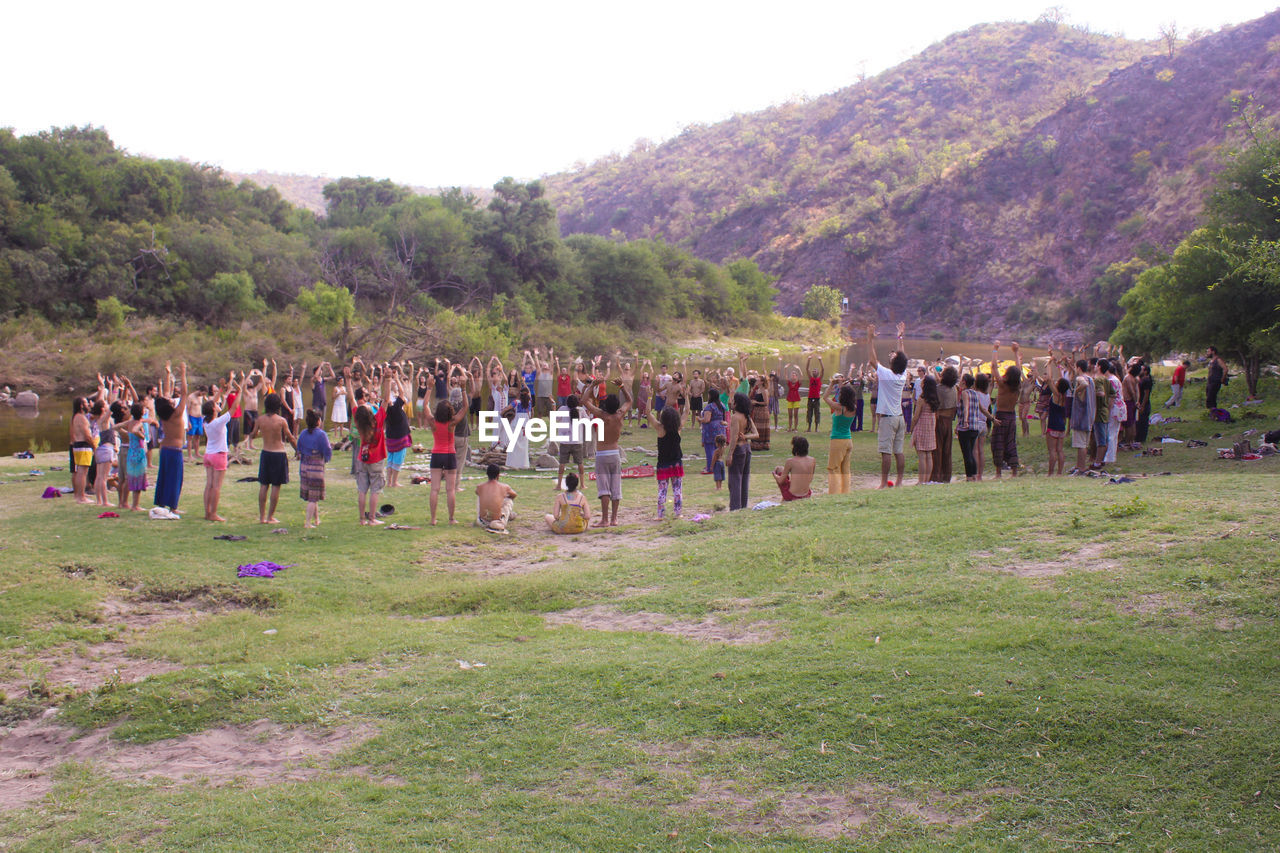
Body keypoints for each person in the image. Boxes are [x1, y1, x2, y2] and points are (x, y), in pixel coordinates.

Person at [580, 362, 632, 527]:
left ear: (604, 405)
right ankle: (614, 519)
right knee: (615, 487)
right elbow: (630, 401)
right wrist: (622, 387)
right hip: (615, 454)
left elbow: (584, 400)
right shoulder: (619, 415)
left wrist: (594, 384)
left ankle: (604, 519)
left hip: (602, 455)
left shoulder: (601, 415)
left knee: (604, 488)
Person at [347, 366, 391, 525]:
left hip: (362, 458)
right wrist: (387, 379)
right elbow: (386, 400)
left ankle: (361, 519)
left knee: (362, 489)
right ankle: (372, 518)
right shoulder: (378, 419)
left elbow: (352, 399)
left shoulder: (358, 422)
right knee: (375, 490)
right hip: (376, 459)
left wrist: (348, 380)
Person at [867, 323, 908, 489]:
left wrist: (870, 339)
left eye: (893, 357)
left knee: (886, 452)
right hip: (899, 418)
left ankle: (883, 483)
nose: (891, 356)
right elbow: (902, 356)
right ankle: (899, 482)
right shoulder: (903, 374)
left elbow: (872, 360)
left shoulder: (886, 374)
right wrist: (900, 337)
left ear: (894, 363)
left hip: (887, 419)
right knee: (899, 451)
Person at [423, 385, 468, 526]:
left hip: (436, 454)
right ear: (449, 411)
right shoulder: (452, 423)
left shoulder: (433, 422)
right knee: (450, 489)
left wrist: (429, 388)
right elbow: (465, 407)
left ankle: (433, 519)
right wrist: (464, 389)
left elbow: (424, 405)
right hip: (449, 455)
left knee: (434, 489)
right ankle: (451, 518)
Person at [248, 392, 296, 524]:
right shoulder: (281, 421)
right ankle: (270, 516)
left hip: (266, 453)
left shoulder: (260, 420)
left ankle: (262, 517)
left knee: (264, 484)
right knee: (276, 485)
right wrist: (298, 450)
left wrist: (256, 433)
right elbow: (290, 438)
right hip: (278, 454)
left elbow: (252, 435)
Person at [153, 363, 189, 516]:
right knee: (175, 479)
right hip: (174, 450)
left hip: (165, 449)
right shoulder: (176, 414)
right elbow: (185, 394)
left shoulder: (163, 414)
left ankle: (161, 502)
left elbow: (166, 394)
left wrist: (168, 375)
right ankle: (173, 507)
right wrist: (183, 374)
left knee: (164, 475)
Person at [202, 377, 237, 521]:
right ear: (213, 410)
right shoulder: (218, 422)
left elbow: (212, 403)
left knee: (209, 485)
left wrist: (222, 389)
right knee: (216, 487)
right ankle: (214, 514)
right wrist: (239, 392)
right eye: (216, 405)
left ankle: (207, 512)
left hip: (208, 455)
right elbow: (233, 409)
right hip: (219, 455)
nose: (218, 404)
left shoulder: (206, 421)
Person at [989, 341, 1022, 478]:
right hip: (1011, 417)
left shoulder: (1002, 385)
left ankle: (998, 473)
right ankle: (1014, 472)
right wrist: (1015, 352)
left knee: (998, 444)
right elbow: (1018, 370)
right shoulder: (1017, 387)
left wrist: (995, 349)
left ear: (1007, 376)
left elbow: (994, 366)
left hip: (1001, 417)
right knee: (1010, 444)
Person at [297, 408, 332, 529]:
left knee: (313, 494)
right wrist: (326, 459)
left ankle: (317, 519)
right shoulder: (321, 435)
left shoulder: (302, 433)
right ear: (318, 421)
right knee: (313, 497)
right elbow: (327, 450)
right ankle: (307, 523)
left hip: (304, 466)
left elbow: (299, 448)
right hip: (316, 467)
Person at [650, 405, 684, 520]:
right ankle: (678, 513)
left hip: (663, 465)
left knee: (662, 491)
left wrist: (649, 397)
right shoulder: (678, 428)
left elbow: (648, 413)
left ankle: (660, 515)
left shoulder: (660, 429)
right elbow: (687, 411)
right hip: (676, 464)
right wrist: (687, 398)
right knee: (677, 490)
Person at [726, 391, 757, 510]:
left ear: (737, 403)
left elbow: (733, 438)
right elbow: (756, 434)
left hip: (738, 450)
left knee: (735, 481)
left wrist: (730, 455)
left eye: (733, 400)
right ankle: (743, 507)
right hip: (747, 449)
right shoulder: (747, 417)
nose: (731, 402)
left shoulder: (735, 417)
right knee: (744, 480)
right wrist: (746, 436)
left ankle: (735, 508)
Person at [955, 374, 988, 482]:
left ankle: (969, 477)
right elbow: (982, 409)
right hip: (975, 427)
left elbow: (966, 406)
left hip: (966, 427)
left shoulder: (965, 393)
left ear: (964, 381)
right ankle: (974, 475)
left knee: (967, 453)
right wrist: (992, 418)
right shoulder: (974, 393)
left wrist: (965, 420)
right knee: (971, 453)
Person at [825, 382, 856, 494]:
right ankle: (845, 492)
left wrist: (831, 385)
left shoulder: (839, 408)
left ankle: (834, 493)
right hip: (848, 440)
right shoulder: (853, 408)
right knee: (845, 469)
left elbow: (825, 397)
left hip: (838, 441)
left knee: (833, 468)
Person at [912, 374, 939, 485]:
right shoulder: (934, 398)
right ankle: (926, 480)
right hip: (931, 426)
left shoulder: (922, 399)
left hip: (922, 425)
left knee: (922, 454)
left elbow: (916, 416)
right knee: (929, 454)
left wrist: (911, 427)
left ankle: (921, 480)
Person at [931, 366, 957, 482]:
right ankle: (946, 476)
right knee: (947, 450)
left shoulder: (938, 389)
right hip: (949, 420)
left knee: (937, 450)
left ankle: (936, 476)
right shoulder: (954, 389)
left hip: (939, 419)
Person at [555, 394, 587, 490]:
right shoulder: (580, 410)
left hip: (565, 441)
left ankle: (559, 485)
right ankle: (582, 484)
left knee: (562, 464)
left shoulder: (562, 409)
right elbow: (587, 421)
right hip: (577, 441)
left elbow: (556, 419)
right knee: (580, 463)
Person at [476, 463, 517, 534]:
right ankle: (502, 519)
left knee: (480, 496)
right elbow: (514, 495)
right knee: (508, 500)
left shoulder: (480, 487)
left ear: (487, 474)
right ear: (498, 475)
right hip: (497, 521)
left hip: (482, 521)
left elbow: (477, 493)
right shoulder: (505, 487)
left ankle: (506, 515)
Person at [773, 435, 816, 500]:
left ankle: (784, 499)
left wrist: (774, 475)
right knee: (781, 468)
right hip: (807, 494)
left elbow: (780, 481)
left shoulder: (790, 461)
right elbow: (810, 478)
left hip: (792, 496)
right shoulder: (812, 460)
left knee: (778, 470)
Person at [69, 397, 95, 504]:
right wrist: (94, 446)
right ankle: (82, 497)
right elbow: (87, 435)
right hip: (84, 446)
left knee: (80, 472)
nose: (88, 404)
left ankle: (78, 495)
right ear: (81, 405)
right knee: (82, 472)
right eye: (85, 403)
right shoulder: (81, 418)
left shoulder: (75, 417)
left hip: (78, 446)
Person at [804, 355, 824, 433]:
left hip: (816, 399)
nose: (813, 372)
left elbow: (823, 369)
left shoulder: (819, 379)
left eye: (815, 371)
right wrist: (809, 360)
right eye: (813, 371)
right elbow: (807, 369)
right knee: (809, 412)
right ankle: (809, 428)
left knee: (817, 413)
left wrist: (820, 360)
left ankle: (816, 428)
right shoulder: (811, 378)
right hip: (810, 398)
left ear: (818, 373)